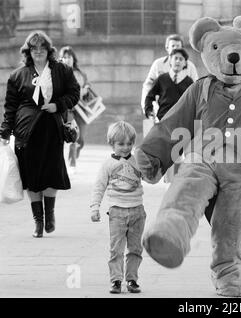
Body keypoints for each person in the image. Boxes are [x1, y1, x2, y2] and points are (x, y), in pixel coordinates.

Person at [0, 31, 80, 238]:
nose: (38, 52)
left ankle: (50, 214)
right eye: (33, 49)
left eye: (41, 49)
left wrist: (58, 105)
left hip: (52, 130)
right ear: (28, 52)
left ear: (48, 50)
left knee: (51, 173)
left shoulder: (62, 71)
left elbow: (74, 93)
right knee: (31, 176)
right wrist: (5, 131)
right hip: (26, 132)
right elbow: (10, 106)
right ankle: (38, 221)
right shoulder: (18, 75)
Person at [90, 121, 146, 294]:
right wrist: (95, 207)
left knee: (135, 249)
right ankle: (116, 280)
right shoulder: (108, 164)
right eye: (121, 144)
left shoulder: (137, 161)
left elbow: (150, 175)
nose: (126, 147)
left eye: (129, 143)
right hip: (117, 211)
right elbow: (99, 186)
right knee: (116, 249)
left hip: (137, 210)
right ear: (111, 144)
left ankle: (131, 279)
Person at [144, 48, 194, 183]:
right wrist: (149, 111)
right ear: (170, 61)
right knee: (168, 153)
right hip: (164, 121)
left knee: (179, 153)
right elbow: (149, 96)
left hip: (182, 123)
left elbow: (195, 102)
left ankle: (178, 181)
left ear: (185, 63)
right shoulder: (162, 79)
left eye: (181, 59)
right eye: (175, 58)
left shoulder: (189, 83)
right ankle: (170, 182)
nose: (177, 61)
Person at [140, 34, 198, 136]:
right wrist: (147, 109)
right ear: (167, 48)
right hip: (161, 111)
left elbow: (196, 89)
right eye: (173, 46)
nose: (175, 48)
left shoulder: (190, 67)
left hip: (182, 115)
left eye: (178, 46)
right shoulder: (158, 65)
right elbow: (148, 87)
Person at [59, 46, 90, 174]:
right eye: (64, 57)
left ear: (73, 58)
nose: (67, 60)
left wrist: (86, 89)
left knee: (81, 139)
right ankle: (72, 164)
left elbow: (87, 90)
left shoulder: (81, 74)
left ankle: (76, 151)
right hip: (69, 110)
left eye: (69, 57)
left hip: (81, 110)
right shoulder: (59, 73)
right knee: (73, 136)